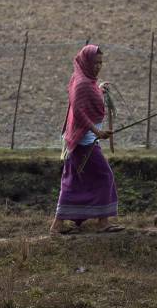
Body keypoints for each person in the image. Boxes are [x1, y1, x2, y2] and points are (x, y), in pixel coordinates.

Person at [50, 44, 124, 234]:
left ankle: (57, 225)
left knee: (73, 181)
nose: (98, 66)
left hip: (83, 140)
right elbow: (79, 112)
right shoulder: (82, 84)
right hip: (85, 142)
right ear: (86, 61)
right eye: (95, 62)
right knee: (104, 175)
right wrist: (97, 132)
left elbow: (86, 99)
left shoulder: (86, 80)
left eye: (101, 62)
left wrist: (100, 89)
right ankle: (102, 222)